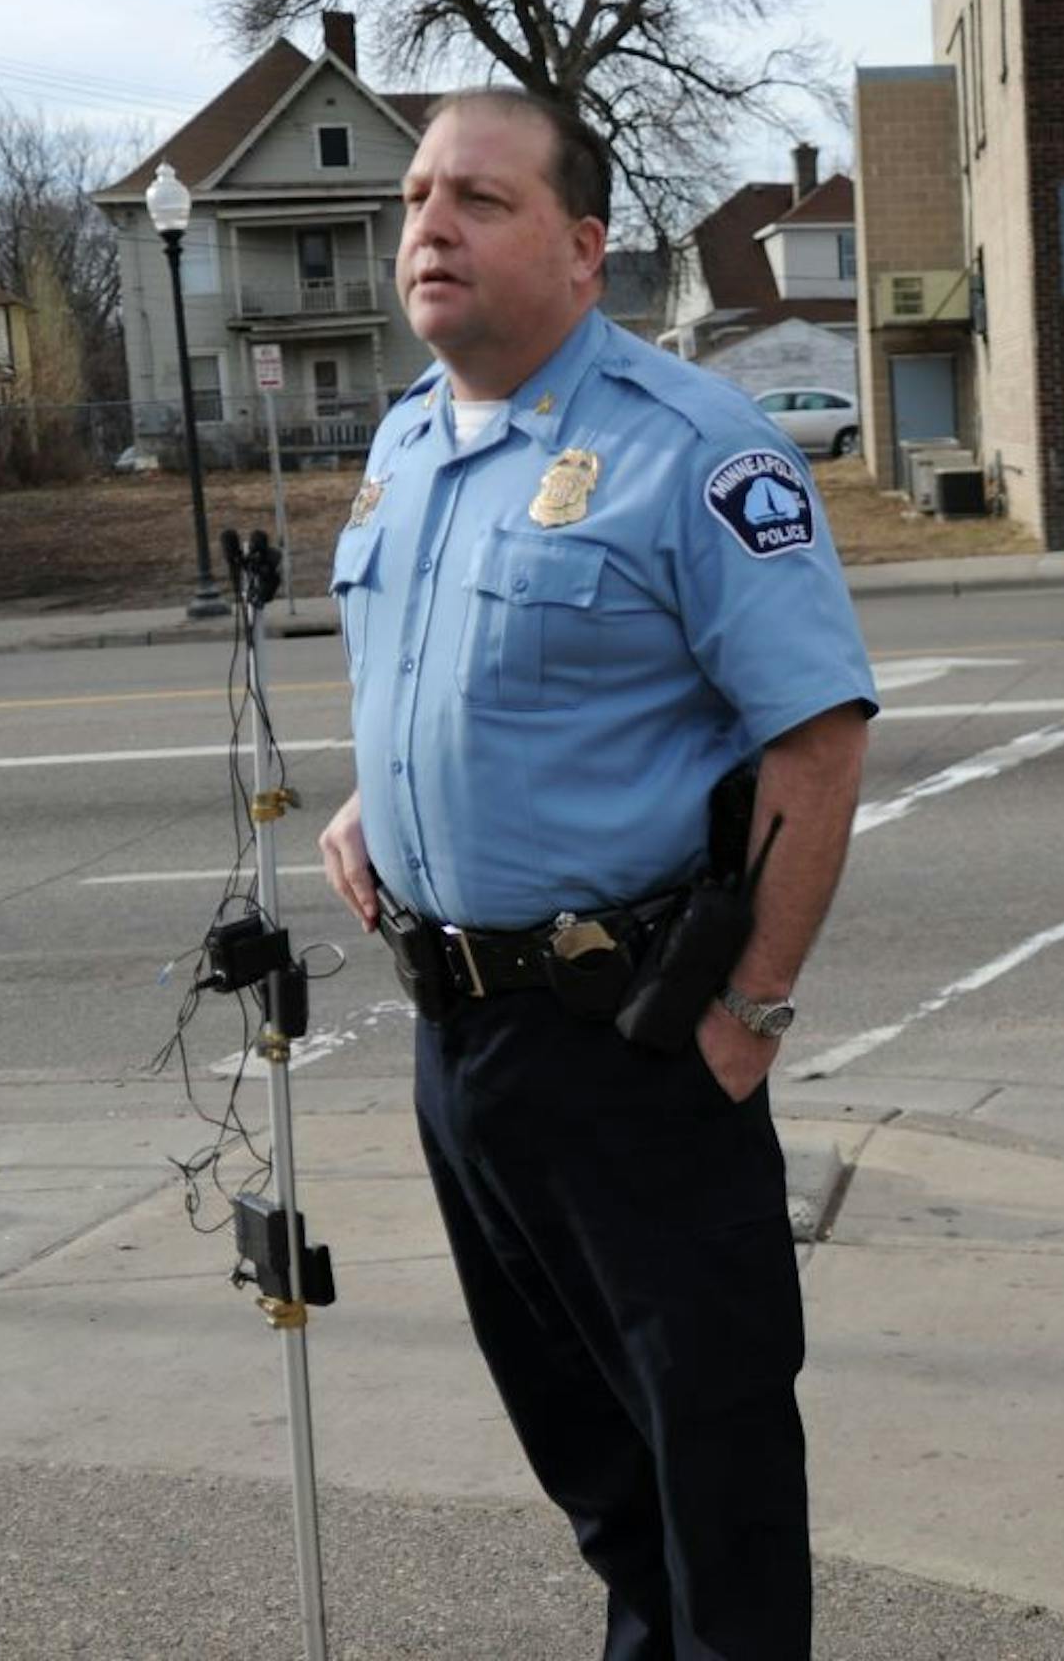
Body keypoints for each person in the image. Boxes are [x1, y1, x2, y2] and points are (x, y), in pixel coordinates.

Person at [316, 88, 875, 1661]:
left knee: (714, 1457)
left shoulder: (693, 448)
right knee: (589, 1459)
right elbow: (462, 675)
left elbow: (816, 740)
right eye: (419, 195)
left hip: (634, 1038)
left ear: (580, 245)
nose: (429, 223)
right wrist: (382, 794)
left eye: (478, 200)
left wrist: (750, 1006)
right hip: (462, 1040)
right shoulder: (409, 439)